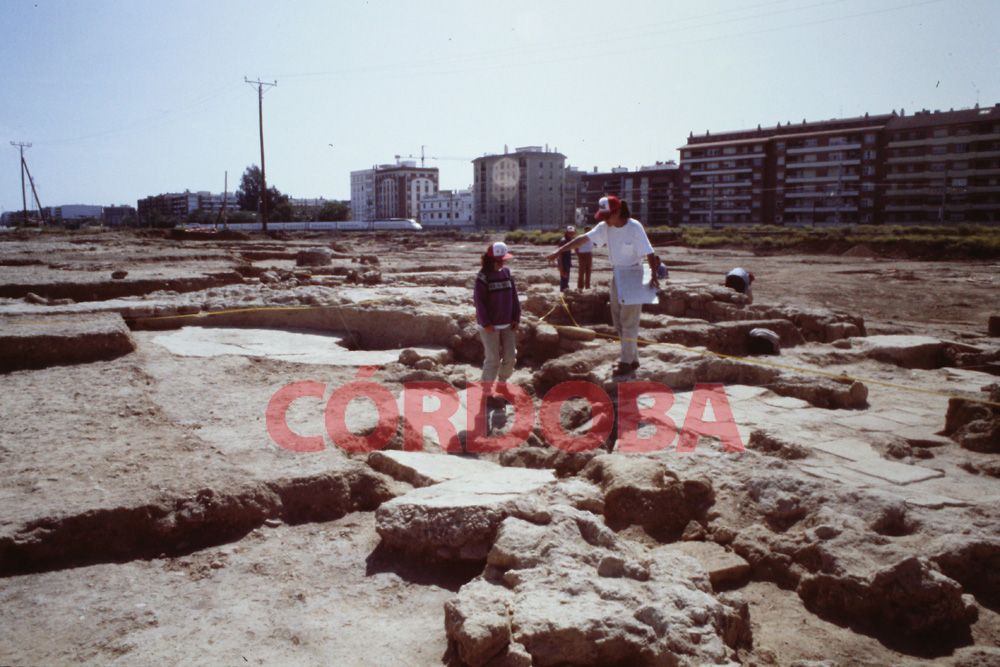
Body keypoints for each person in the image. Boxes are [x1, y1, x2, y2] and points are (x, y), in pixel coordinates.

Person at [547, 195, 659, 376]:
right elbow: (583, 239)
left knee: (628, 321)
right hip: (618, 274)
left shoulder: (634, 227)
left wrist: (653, 275)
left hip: (634, 274)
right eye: (603, 216)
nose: (605, 220)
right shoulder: (606, 227)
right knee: (618, 321)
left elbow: (649, 252)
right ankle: (633, 358)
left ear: (618, 211)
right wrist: (559, 251)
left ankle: (626, 362)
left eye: (607, 216)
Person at [474, 241, 521, 406]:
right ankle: (486, 393)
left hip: (507, 323)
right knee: (492, 359)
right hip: (489, 326)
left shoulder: (507, 273)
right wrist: (486, 323)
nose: (503, 263)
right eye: (500, 260)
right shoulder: (483, 277)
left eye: (504, 260)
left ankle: (502, 385)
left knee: (510, 356)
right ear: (491, 259)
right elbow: (479, 303)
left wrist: (516, 317)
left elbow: (514, 297)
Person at [557, 226, 575, 291]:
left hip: (567, 262)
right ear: (566, 232)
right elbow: (560, 254)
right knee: (564, 278)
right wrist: (561, 266)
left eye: (572, 233)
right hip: (563, 262)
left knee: (566, 279)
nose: (571, 234)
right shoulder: (563, 241)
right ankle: (563, 292)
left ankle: (565, 291)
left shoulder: (569, 240)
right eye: (570, 233)